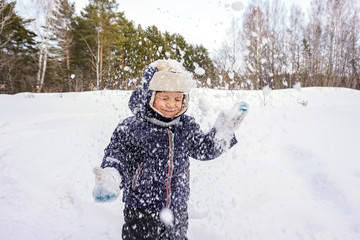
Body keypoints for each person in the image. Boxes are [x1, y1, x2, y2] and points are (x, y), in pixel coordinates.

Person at [92, 59, 248, 239]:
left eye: (177, 98)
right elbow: (118, 156)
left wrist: (223, 132)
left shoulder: (186, 126)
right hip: (141, 210)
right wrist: (111, 176)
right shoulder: (132, 127)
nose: (171, 104)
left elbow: (203, 149)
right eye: (164, 98)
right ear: (148, 95)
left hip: (177, 209)